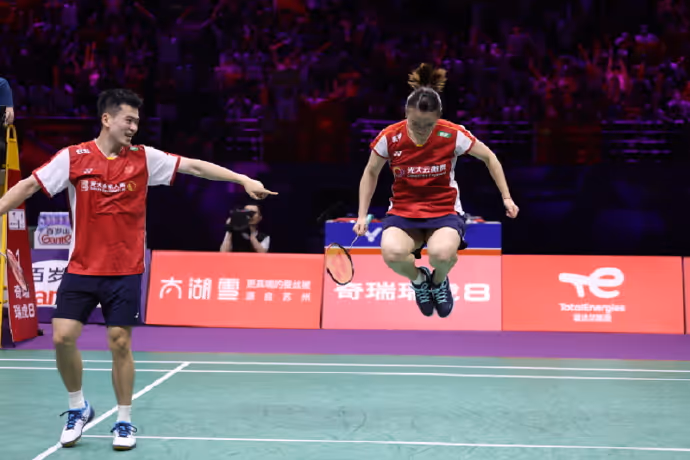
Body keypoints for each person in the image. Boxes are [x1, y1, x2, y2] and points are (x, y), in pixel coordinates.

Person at [0, 88, 276, 451]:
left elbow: (194, 166)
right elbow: (27, 186)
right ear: (107, 119)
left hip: (125, 268)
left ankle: (124, 419)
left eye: (137, 122)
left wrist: (242, 179)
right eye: (128, 120)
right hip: (82, 266)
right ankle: (77, 407)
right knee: (62, 337)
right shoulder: (73, 158)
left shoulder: (145, 159)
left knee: (119, 342)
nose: (133, 127)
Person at [353, 63, 518, 318]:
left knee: (442, 255)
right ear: (406, 112)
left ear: (438, 116)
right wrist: (362, 215)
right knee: (392, 254)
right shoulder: (390, 137)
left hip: (444, 211)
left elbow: (489, 157)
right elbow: (371, 172)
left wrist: (506, 197)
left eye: (428, 124)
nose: (421, 129)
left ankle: (439, 281)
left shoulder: (452, 134)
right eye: (416, 123)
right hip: (404, 212)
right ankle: (420, 281)